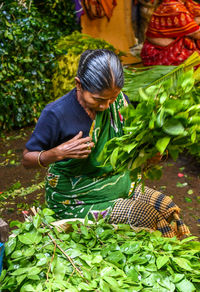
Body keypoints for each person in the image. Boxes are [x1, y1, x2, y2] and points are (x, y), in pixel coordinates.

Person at [23, 49, 189, 238]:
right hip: (77, 199)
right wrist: (57, 153)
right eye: (98, 100)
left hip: (120, 185)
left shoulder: (120, 102)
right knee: (147, 217)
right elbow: (27, 159)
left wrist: (149, 154)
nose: (106, 106)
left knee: (168, 209)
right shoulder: (56, 114)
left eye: (112, 98)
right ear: (79, 85)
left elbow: (128, 147)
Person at [141, 0, 200, 66]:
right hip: (159, 53)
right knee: (195, 60)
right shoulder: (173, 7)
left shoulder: (187, 3)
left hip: (172, 46)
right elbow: (196, 34)